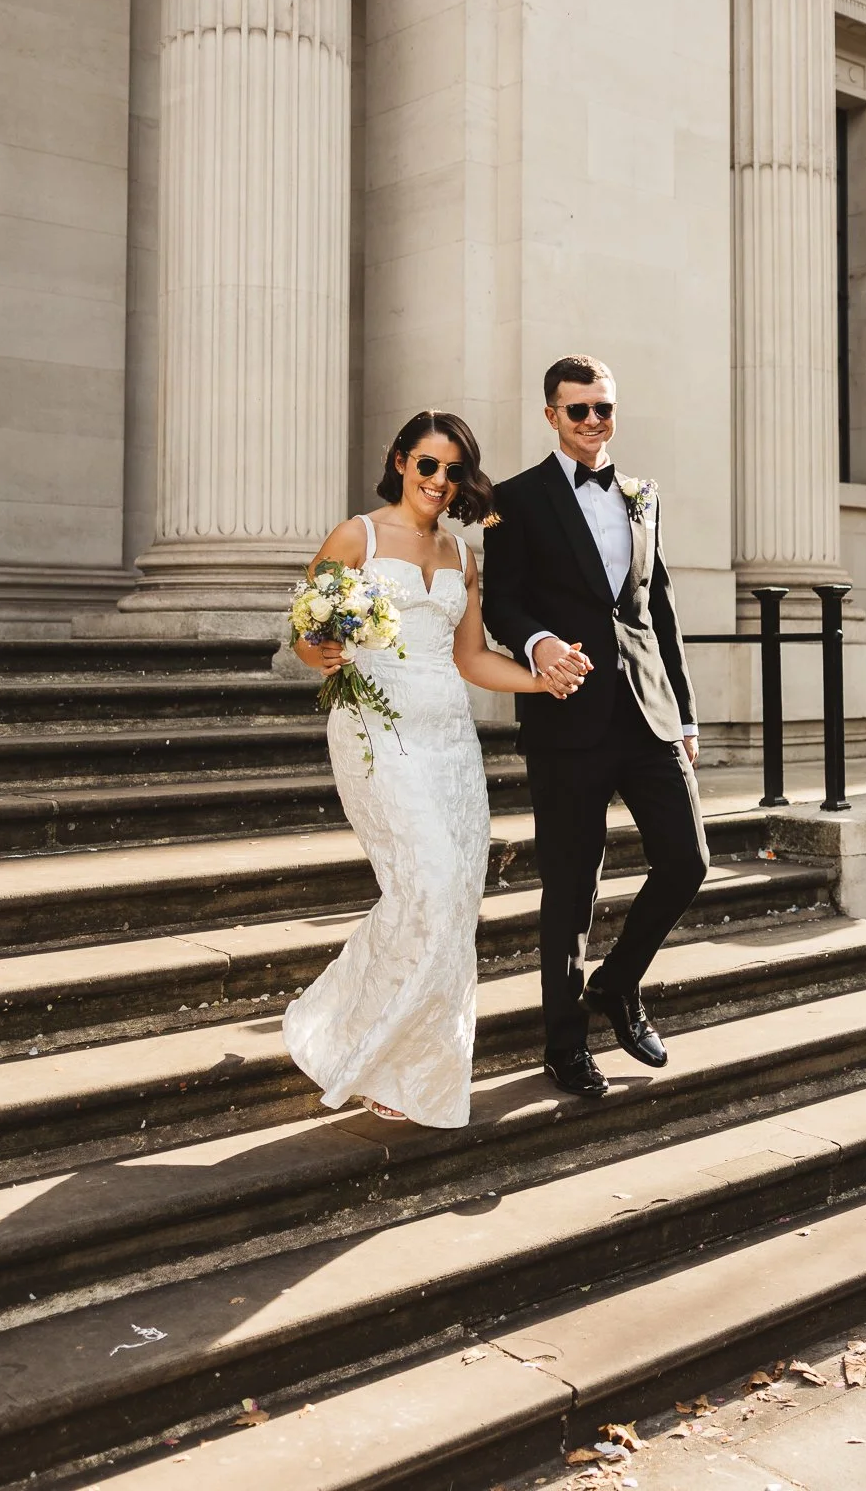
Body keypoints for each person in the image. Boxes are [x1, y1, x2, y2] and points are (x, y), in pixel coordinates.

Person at [284, 411, 589, 1128]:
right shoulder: (356, 536)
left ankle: (404, 1067)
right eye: (427, 465)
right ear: (399, 461)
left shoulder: (461, 553)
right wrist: (322, 653)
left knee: (454, 901)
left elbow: (471, 658)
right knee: (429, 884)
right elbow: (304, 632)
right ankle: (346, 1033)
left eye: (454, 471)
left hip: (449, 737)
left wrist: (541, 679)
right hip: (375, 730)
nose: (439, 481)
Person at [483, 356, 709, 1098]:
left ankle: (615, 984)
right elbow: (501, 602)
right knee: (571, 887)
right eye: (577, 409)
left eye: (602, 408)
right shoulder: (515, 499)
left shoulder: (643, 495)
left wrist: (685, 712)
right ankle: (564, 1045)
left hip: (647, 714)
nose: (591, 421)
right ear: (550, 414)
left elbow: (658, 609)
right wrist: (539, 643)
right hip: (566, 716)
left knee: (687, 861)